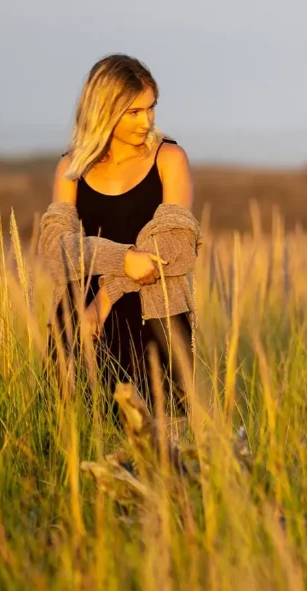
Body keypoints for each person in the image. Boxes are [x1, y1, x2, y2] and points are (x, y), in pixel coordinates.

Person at [38, 53, 202, 418]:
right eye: (134, 112)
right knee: (79, 443)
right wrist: (125, 258)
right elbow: (55, 250)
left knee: (164, 449)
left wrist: (107, 295)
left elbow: (174, 247)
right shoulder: (72, 168)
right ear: (105, 110)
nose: (148, 120)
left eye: (151, 107)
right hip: (80, 326)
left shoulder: (169, 159)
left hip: (156, 323)